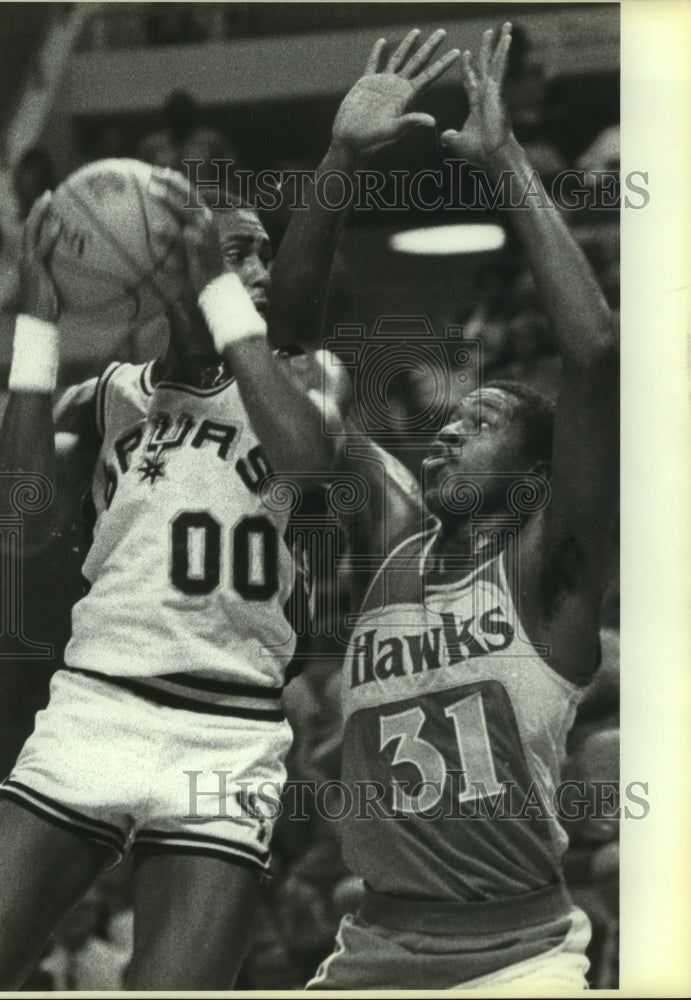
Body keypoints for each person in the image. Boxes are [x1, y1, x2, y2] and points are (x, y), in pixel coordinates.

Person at [0, 28, 460, 990]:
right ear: (159, 278)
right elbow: (19, 517)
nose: (250, 270)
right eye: (229, 254)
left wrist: (332, 161)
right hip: (95, 706)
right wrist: (38, 329)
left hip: (229, 730)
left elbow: (303, 452)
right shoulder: (115, 394)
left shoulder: (302, 379)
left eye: (255, 258)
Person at [259, 23, 617, 990]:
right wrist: (337, 158)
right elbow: (286, 345)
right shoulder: (393, 534)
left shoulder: (555, 574)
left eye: (487, 419)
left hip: (517, 957)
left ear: (537, 477)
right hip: (371, 948)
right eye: (454, 417)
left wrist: (502, 162)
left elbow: (595, 355)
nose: (451, 430)